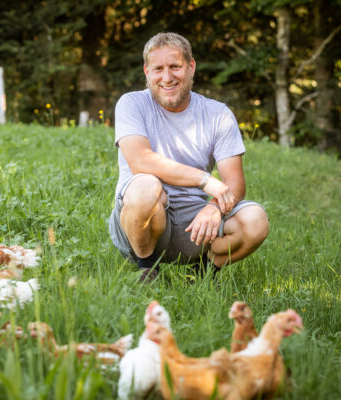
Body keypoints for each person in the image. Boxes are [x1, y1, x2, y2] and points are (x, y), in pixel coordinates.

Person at [108, 32, 269, 282]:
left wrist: (215, 206)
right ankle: (147, 271)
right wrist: (205, 180)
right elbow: (141, 161)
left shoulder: (218, 115)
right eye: (158, 69)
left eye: (175, 67)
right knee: (146, 186)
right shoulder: (131, 103)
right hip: (140, 224)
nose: (167, 77)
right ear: (147, 71)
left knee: (255, 220)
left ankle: (203, 274)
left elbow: (235, 183)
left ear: (191, 67)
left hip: (195, 226)